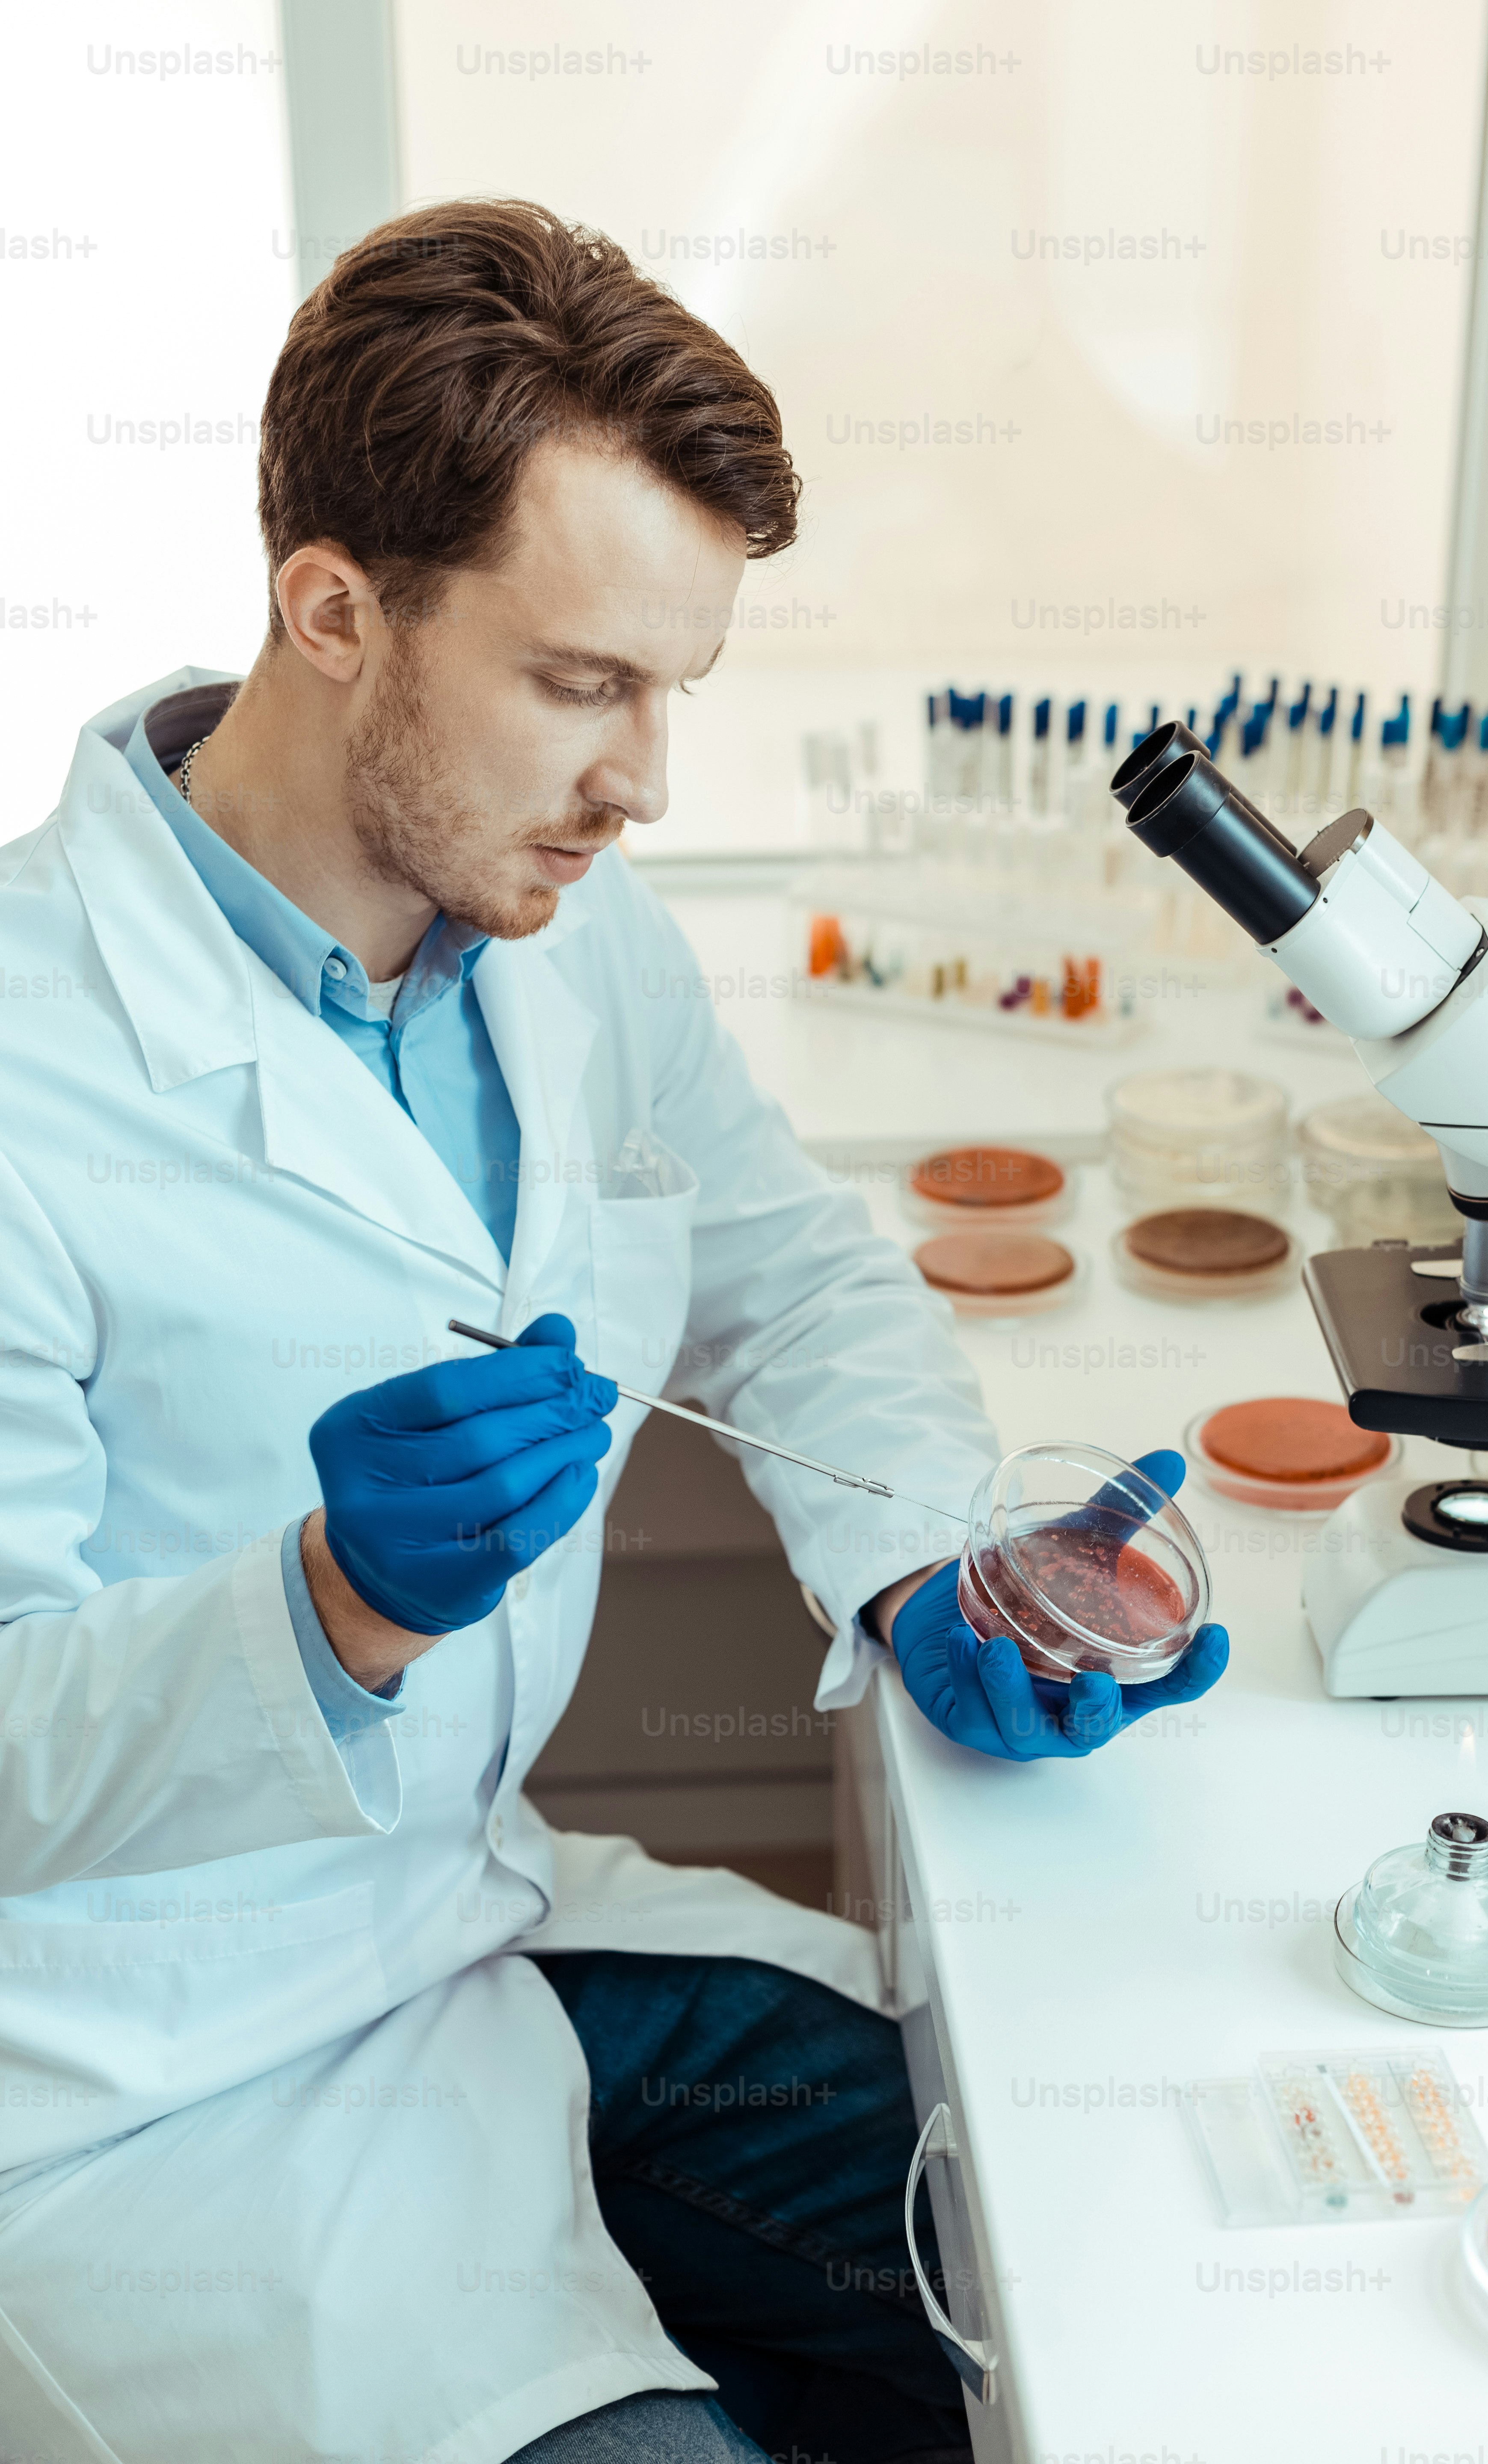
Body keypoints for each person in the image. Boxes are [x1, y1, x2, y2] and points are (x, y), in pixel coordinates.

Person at [0, 201, 1227, 2464]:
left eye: (679, 687)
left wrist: (934, 1561)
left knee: (1071, 2247)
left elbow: (789, 1270)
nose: (648, 778)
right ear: (335, 608)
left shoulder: (567, 925)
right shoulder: (26, 1059)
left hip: (476, 1944)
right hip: (135, 2102)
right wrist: (327, 1608)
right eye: (583, 682)